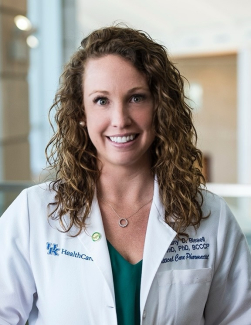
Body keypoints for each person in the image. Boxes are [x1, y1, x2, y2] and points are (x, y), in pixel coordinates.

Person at [0, 25, 251, 325]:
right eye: (101, 100)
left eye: (136, 98)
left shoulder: (212, 218)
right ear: (81, 112)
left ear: (160, 106)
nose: (120, 120)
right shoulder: (32, 215)